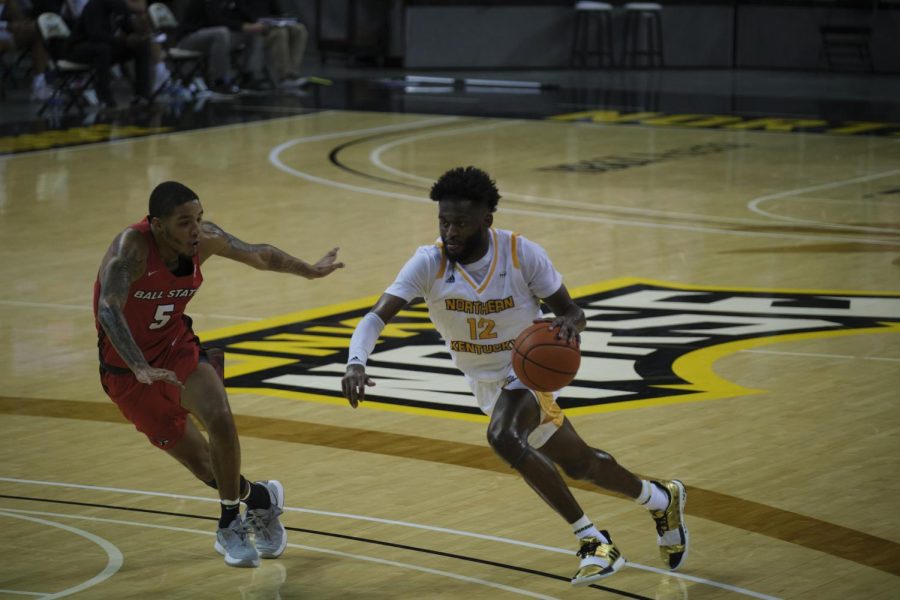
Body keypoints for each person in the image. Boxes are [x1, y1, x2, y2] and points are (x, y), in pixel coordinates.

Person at [340, 166, 688, 586]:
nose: (450, 231)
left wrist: (568, 327)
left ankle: (594, 542)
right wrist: (356, 361)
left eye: (461, 223)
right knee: (581, 465)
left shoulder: (522, 254)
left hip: (527, 368)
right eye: (444, 221)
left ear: (487, 220)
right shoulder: (427, 263)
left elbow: (572, 312)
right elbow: (376, 317)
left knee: (502, 437)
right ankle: (660, 497)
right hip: (483, 381)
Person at [94, 181, 344, 567]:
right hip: (127, 373)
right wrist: (140, 367)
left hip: (176, 349)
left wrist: (309, 271)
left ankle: (229, 523)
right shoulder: (133, 250)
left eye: (199, 218)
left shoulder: (203, 241)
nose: (196, 229)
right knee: (208, 468)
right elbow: (109, 309)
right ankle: (259, 498)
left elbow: (259, 254)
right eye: (184, 223)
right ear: (158, 225)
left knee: (221, 419)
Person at [66, 0, 154, 106]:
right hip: (79, 48)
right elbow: (95, 35)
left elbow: (127, 27)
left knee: (141, 46)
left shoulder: (120, 5)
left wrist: (139, 32)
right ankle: (105, 99)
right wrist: (125, 41)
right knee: (102, 50)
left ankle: (142, 96)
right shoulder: (94, 5)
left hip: (105, 48)